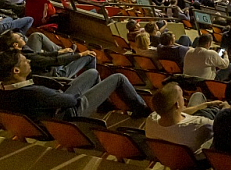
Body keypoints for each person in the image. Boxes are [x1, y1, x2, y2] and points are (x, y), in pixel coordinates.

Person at [0, 51, 149, 120]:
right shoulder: (33, 92)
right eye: (25, 61)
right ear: (16, 70)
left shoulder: (4, 91)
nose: (29, 62)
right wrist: (62, 92)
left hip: (53, 105)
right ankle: (141, 109)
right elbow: (71, 101)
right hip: (67, 112)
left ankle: (103, 104)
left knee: (92, 73)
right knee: (118, 78)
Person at [145, 82, 225, 154]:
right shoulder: (199, 124)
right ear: (177, 104)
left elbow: (178, 113)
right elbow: (220, 127)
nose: (184, 98)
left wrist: (206, 104)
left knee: (197, 95)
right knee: (213, 110)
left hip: (169, 157)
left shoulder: (151, 119)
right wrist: (225, 109)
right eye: (181, 96)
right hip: (196, 162)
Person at [0, 29, 95, 78]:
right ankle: (92, 81)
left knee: (67, 54)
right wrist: (81, 54)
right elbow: (56, 61)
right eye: (20, 38)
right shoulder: (25, 57)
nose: (23, 38)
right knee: (91, 56)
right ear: (16, 45)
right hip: (57, 75)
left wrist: (58, 52)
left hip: (49, 68)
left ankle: (67, 53)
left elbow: (40, 55)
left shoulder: (14, 54)